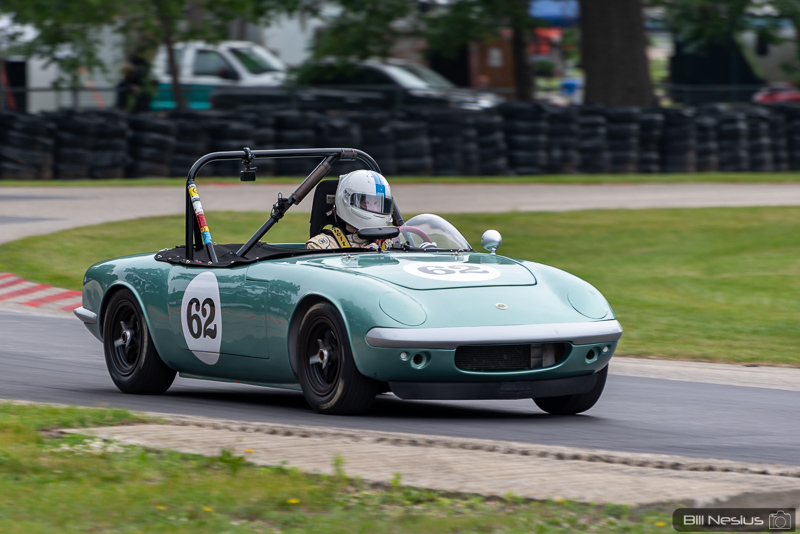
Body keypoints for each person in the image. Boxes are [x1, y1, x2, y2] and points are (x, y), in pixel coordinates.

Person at [306, 169, 394, 250]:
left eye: (377, 204)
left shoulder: (387, 244)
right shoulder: (321, 246)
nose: (375, 209)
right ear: (347, 200)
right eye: (367, 203)